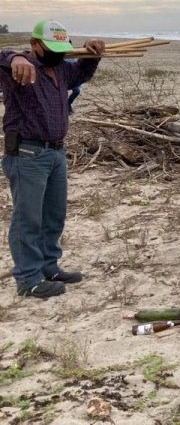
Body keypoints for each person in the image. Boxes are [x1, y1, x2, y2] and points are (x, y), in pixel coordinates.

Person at [0, 19, 105, 298]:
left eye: (62, 47)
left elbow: (79, 75)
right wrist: (15, 56)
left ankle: (49, 266)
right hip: (27, 154)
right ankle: (28, 278)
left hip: (55, 152)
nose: (58, 52)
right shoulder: (18, 69)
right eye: (50, 47)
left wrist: (92, 55)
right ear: (34, 45)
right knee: (28, 219)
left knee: (53, 216)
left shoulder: (59, 68)